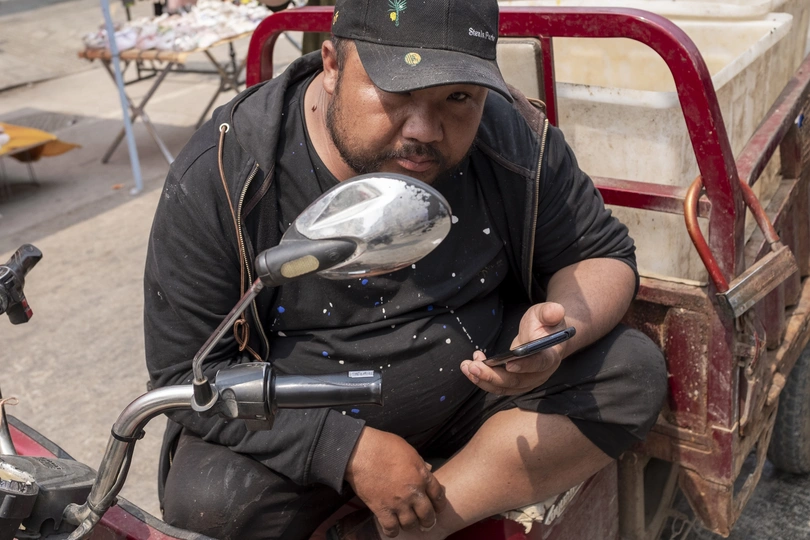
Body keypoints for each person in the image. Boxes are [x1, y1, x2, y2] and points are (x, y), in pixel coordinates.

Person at [143, 0, 668, 538]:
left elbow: (600, 253)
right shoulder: (227, 172)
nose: (426, 130)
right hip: (296, 417)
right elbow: (185, 374)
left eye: (458, 97)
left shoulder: (510, 135)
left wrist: (553, 339)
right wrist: (343, 449)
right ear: (332, 66)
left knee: (631, 373)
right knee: (211, 505)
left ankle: (409, 529)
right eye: (396, 92)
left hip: (475, 397)